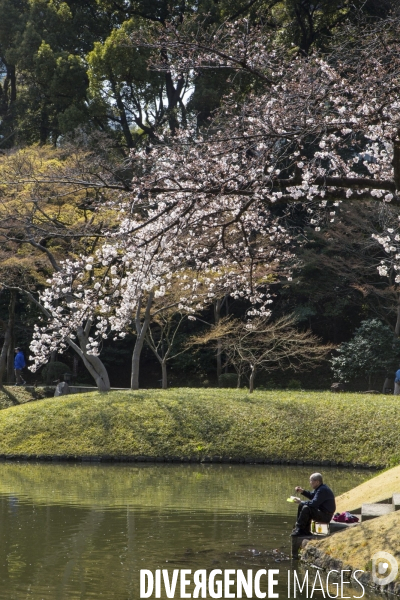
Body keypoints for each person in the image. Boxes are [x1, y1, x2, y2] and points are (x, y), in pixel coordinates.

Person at [291, 472, 336, 537]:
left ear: (317, 482)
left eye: (311, 480)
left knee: (306, 508)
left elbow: (313, 503)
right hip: (322, 513)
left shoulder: (322, 490)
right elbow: (312, 495)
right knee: (302, 505)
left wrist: (301, 501)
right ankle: (302, 529)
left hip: (326, 516)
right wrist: (302, 491)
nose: (310, 482)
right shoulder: (320, 488)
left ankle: (300, 529)